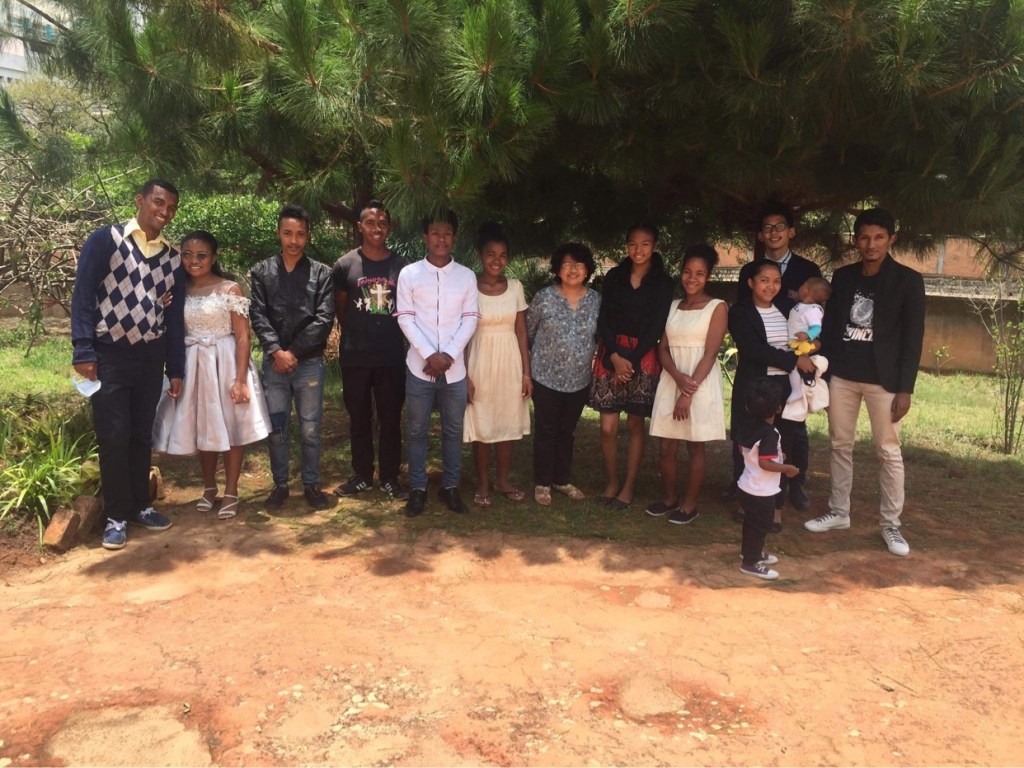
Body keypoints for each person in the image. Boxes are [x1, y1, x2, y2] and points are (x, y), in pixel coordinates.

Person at [70, 178, 185, 550]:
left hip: (150, 357)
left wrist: (175, 368)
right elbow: (83, 295)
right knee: (114, 435)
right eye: (158, 202)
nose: (164, 212)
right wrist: (83, 350)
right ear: (140, 200)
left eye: (171, 207)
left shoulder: (172, 257)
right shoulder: (107, 240)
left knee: (140, 434)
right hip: (110, 355)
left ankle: (140, 506)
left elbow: (174, 317)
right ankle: (116, 516)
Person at [804, 208, 925, 557]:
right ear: (856, 241)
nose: (871, 244)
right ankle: (839, 512)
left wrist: (905, 389)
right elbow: (831, 328)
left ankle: (891, 523)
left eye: (879, 237)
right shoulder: (843, 277)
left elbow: (913, 339)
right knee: (840, 445)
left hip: (884, 382)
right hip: (843, 376)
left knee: (888, 451)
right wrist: (819, 366)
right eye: (865, 238)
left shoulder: (908, 280)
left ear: (891, 240)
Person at [152, 231, 270, 519]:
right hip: (193, 364)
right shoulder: (176, 289)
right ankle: (208, 487)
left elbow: (243, 337)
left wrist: (240, 380)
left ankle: (231, 490)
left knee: (232, 426)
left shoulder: (230, 289)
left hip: (225, 362)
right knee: (203, 425)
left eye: (201, 255)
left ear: (214, 258)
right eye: (187, 255)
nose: (194, 261)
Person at [728, 202, 822, 509]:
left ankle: (794, 485)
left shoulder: (807, 270)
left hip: (791, 364)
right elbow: (747, 325)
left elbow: (815, 313)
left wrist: (811, 345)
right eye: (767, 228)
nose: (774, 233)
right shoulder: (749, 272)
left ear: (791, 231)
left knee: (792, 430)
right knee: (749, 430)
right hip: (762, 366)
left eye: (780, 226)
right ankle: (742, 485)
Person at [250, 205, 335, 510]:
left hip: (307, 362)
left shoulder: (322, 274)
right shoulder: (262, 272)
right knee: (277, 428)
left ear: (308, 236)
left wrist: (293, 352)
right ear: (278, 233)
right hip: (275, 363)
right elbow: (258, 314)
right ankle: (280, 484)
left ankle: (311, 484)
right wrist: (276, 351)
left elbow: (324, 319)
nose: (294, 240)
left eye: (300, 234)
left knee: (310, 428)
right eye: (288, 233)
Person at [396, 210, 479, 517]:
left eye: (447, 233)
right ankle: (418, 488)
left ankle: (450, 487)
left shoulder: (466, 276)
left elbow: (470, 319)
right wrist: (430, 355)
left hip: (454, 371)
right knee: (417, 430)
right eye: (435, 233)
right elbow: (405, 318)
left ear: (454, 238)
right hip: (419, 367)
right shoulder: (410, 274)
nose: (441, 239)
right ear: (425, 237)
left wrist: (448, 356)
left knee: (453, 430)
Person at [589, 221, 675, 509]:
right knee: (607, 426)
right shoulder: (614, 276)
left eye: (645, 244)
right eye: (633, 244)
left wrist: (631, 361)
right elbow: (603, 319)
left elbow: (657, 326)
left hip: (643, 355)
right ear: (627, 246)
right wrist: (615, 356)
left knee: (635, 424)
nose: (638, 250)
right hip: (611, 353)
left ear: (655, 246)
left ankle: (628, 486)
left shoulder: (663, 282)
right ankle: (612, 481)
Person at [331, 200, 409, 500]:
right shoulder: (345, 265)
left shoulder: (402, 266)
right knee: (359, 419)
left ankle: (390, 477)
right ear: (359, 226)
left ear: (389, 228)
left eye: (383, 223)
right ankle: (362, 475)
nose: (377, 228)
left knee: (390, 419)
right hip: (356, 356)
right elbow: (341, 309)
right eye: (370, 222)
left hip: (391, 356)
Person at [646, 244, 728, 525]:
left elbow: (710, 353)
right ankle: (669, 498)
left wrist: (688, 391)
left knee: (695, 446)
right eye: (687, 272)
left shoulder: (717, 307)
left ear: (708, 276)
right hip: (672, 379)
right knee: (666, 446)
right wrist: (677, 377)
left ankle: (689, 505)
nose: (692, 278)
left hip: (699, 383)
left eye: (699, 273)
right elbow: (662, 348)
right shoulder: (672, 306)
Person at [527, 243, 601, 506]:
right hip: (545, 376)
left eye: (579, 264)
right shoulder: (544, 298)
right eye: (567, 264)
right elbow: (529, 333)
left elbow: (599, 336)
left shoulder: (595, 300)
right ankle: (543, 482)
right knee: (546, 430)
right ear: (558, 268)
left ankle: (561, 479)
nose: (573, 269)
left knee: (566, 432)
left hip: (578, 379)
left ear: (587, 270)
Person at [463, 222, 531, 506]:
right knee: (482, 424)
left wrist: (526, 373)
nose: (496, 260)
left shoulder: (515, 287)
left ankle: (502, 480)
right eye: (491, 254)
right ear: (481, 255)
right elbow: (463, 333)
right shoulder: (469, 286)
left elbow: (521, 331)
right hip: (479, 362)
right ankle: (483, 484)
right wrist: (464, 375)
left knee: (506, 422)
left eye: (503, 255)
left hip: (510, 362)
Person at [737, 377, 799, 581]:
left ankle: (749, 552)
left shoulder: (746, 426)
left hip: (747, 485)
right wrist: (786, 468)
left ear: (747, 407)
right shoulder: (770, 433)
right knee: (761, 525)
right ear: (779, 408)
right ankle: (751, 563)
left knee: (750, 522)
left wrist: (777, 457)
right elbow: (765, 463)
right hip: (761, 491)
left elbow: (748, 451)